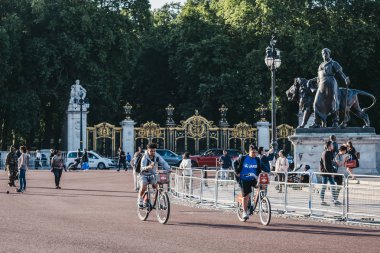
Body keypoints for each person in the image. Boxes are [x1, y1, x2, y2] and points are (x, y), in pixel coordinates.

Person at [309, 48, 350, 128]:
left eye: (326, 53)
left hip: (331, 83)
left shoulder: (333, 63)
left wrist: (345, 78)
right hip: (321, 84)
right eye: (323, 53)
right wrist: (313, 82)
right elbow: (318, 77)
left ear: (329, 54)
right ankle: (317, 122)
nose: (324, 55)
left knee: (333, 101)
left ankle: (335, 121)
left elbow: (340, 73)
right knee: (316, 102)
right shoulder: (320, 65)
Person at [233, 145, 262, 220]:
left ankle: (256, 201)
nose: (254, 154)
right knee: (246, 196)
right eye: (253, 152)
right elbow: (234, 163)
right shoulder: (243, 158)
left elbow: (260, 169)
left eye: (256, 152)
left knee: (262, 186)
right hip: (244, 179)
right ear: (249, 151)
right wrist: (237, 172)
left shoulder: (257, 159)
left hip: (253, 179)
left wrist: (268, 171)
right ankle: (244, 212)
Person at [138, 143, 170, 208]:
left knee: (157, 187)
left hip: (153, 175)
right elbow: (142, 168)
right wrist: (148, 167)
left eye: (154, 151)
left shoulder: (157, 156)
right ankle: (140, 199)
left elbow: (163, 163)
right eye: (151, 151)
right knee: (143, 187)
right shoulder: (144, 157)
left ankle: (158, 202)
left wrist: (169, 169)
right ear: (148, 150)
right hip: (144, 175)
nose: (153, 152)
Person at [320, 141, 339, 206]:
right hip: (326, 173)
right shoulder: (325, 153)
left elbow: (331, 163)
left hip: (329, 172)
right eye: (331, 145)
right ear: (329, 146)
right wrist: (331, 173)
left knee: (333, 185)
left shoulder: (329, 153)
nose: (333, 146)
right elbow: (326, 165)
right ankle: (322, 200)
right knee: (324, 186)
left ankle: (335, 199)